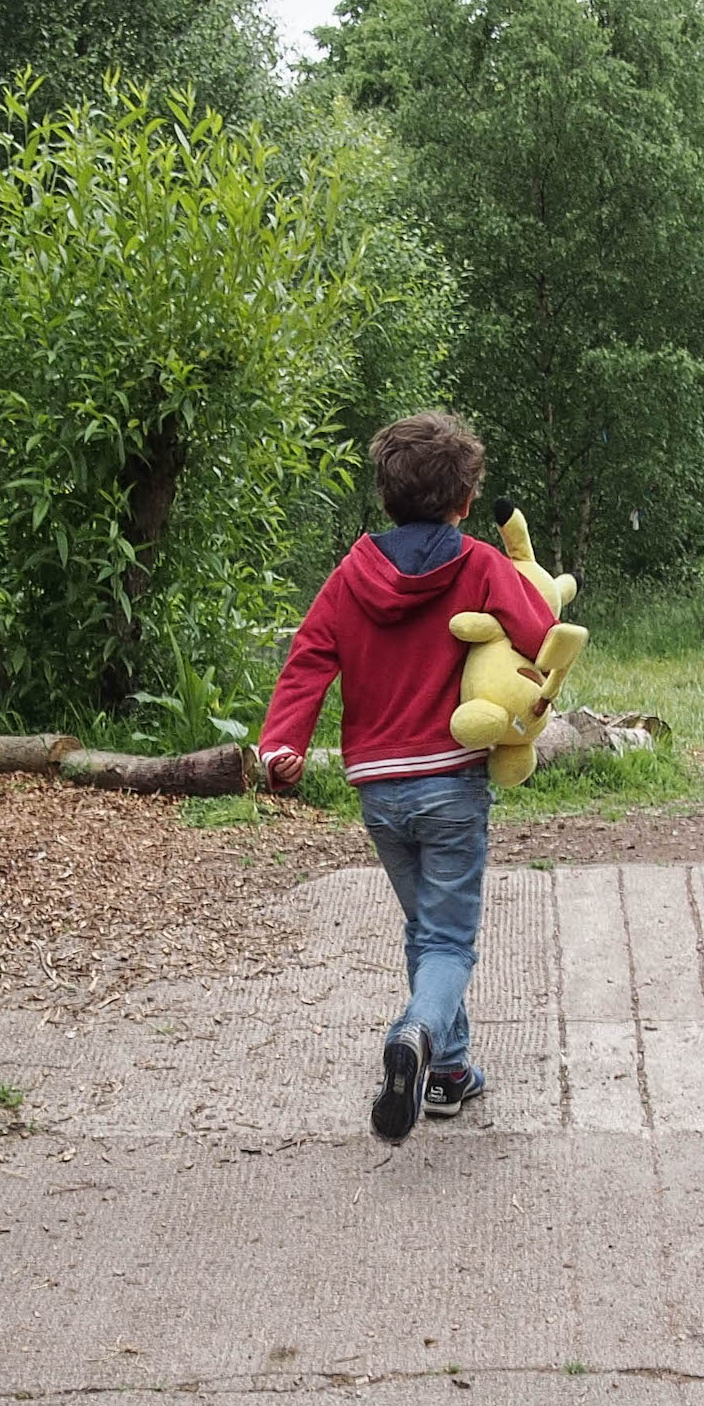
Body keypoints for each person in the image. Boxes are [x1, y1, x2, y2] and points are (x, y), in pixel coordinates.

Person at [259, 412, 558, 1142]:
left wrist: (280, 746)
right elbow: (534, 630)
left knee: (426, 928)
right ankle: (416, 1035)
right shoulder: (481, 563)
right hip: (451, 782)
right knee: (450, 940)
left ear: (385, 497)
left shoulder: (351, 573)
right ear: (463, 501)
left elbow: (308, 659)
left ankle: (449, 1072)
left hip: (379, 791)